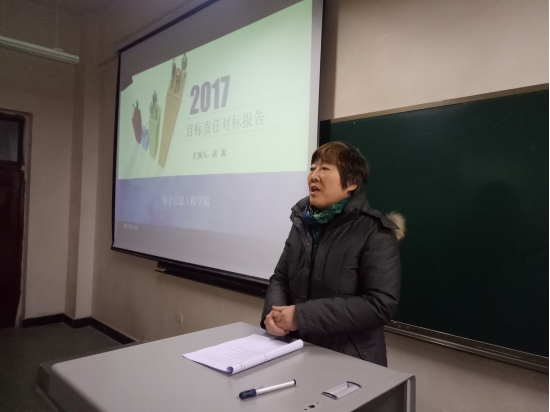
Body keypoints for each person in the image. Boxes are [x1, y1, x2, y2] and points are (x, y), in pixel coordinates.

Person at [260, 142, 405, 367]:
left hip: (350, 361)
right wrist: (273, 314)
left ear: (352, 183)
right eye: (312, 168)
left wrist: (300, 316)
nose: (314, 176)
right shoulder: (303, 223)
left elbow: (379, 304)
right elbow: (280, 278)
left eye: (325, 169)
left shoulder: (375, 231)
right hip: (296, 351)